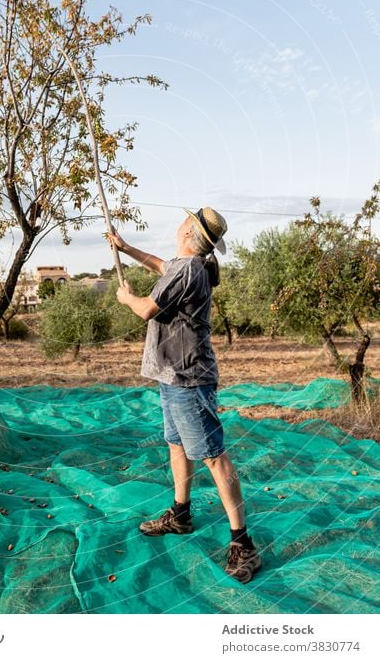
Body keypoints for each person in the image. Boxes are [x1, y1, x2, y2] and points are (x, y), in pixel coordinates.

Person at [107, 206, 262, 584]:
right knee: (176, 445)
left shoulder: (188, 269)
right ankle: (181, 514)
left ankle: (243, 542)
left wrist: (126, 298)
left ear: (190, 232)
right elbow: (163, 266)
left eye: (186, 220)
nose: (181, 223)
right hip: (173, 375)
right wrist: (126, 248)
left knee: (213, 457)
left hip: (188, 378)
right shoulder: (190, 265)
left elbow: (146, 309)